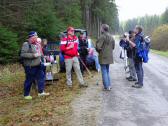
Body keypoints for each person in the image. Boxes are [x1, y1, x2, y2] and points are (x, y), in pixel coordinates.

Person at [21, 31, 49, 100]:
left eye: (36, 36)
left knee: (41, 77)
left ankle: (41, 92)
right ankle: (26, 94)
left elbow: (40, 53)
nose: (36, 37)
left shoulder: (37, 44)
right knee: (29, 80)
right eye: (35, 36)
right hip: (30, 66)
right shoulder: (26, 44)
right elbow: (23, 54)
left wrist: (44, 57)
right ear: (31, 37)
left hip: (38, 65)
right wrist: (33, 55)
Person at [96, 24, 115, 91]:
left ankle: (106, 87)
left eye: (101, 28)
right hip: (109, 56)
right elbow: (113, 47)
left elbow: (98, 47)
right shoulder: (111, 37)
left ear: (103, 29)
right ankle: (108, 85)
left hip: (103, 56)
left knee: (104, 71)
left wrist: (99, 50)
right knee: (106, 71)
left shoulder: (102, 36)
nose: (100, 29)